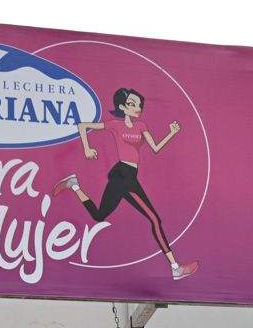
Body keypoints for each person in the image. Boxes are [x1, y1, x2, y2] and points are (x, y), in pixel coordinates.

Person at [51, 87, 198, 281]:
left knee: (99, 215)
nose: (137, 108)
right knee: (154, 219)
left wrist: (171, 133)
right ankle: (175, 268)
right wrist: (87, 148)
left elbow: (155, 148)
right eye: (132, 104)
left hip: (129, 176)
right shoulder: (115, 125)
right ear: (122, 107)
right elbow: (83, 126)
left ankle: (74, 184)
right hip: (123, 174)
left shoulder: (141, 126)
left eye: (139, 105)